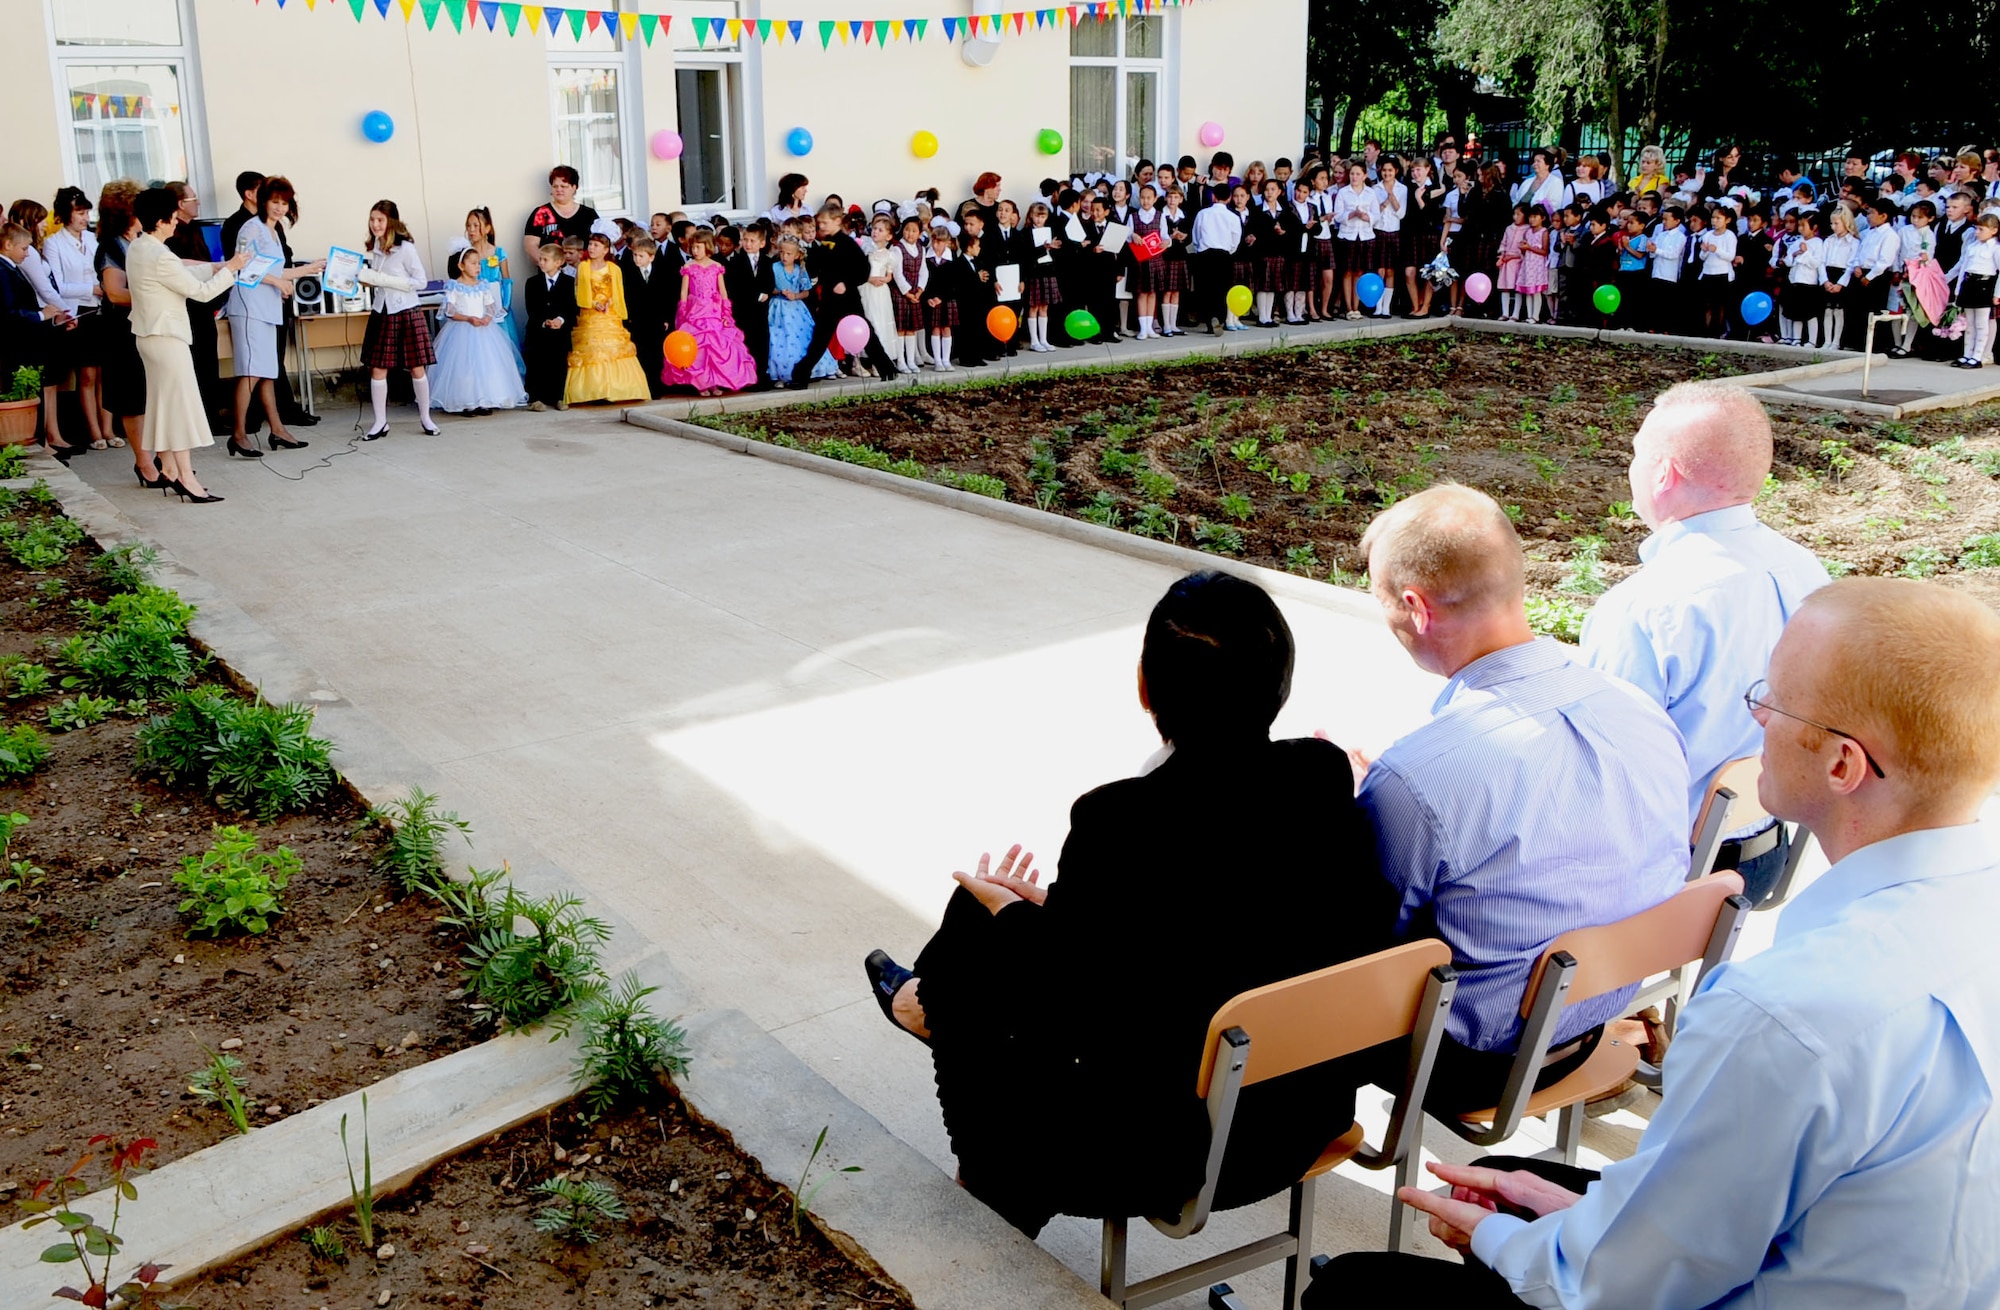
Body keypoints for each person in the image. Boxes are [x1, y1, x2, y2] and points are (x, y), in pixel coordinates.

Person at [1316, 577, 2000, 1310]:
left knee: (1358, 1290)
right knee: (1548, 1186)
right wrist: (1609, 1221)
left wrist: (1502, 1243)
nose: (1757, 715)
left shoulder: (1785, 1017)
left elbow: (1617, 1290)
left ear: (1842, 765)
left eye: (1776, 697)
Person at [862, 571, 1399, 1237]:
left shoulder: (1118, 819)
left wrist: (1016, 914)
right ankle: (932, 1005)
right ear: (1280, 685)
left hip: (1166, 1154)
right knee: (1001, 925)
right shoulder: (1320, 776)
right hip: (1298, 1122)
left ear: (1145, 688)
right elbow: (1203, 924)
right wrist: (1053, 909)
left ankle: (978, 1131)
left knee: (978, 924)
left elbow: (1073, 998)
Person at [1352, 485, 1688, 1113]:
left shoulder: (1418, 779)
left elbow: (1372, 944)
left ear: (1416, 609)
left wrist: (1381, 808)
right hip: (1599, 1017)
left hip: (1475, 1063)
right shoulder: (1637, 709)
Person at [1580, 383, 1828, 905]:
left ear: (1664, 473)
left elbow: (1603, 778)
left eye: (1636, 454)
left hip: (1671, 878)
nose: (1631, 468)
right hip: (1765, 850)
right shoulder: (1807, 569)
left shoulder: (1644, 608)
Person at [125, 186, 252, 503]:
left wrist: (218, 266)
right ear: (164, 219)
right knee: (179, 408)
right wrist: (232, 270)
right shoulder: (159, 255)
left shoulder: (139, 247)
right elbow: (201, 293)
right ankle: (186, 476)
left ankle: (168, 466)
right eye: (173, 216)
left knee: (162, 405)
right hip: (168, 339)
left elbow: (179, 269)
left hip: (148, 337)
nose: (176, 222)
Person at [224, 176, 320, 457]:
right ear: (263, 201)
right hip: (249, 308)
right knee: (252, 372)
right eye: (275, 202)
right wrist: (278, 283)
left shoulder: (274, 231)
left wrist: (309, 268)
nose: (280, 208)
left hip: (266, 309)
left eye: (284, 202)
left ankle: (277, 429)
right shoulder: (250, 229)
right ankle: (239, 435)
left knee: (267, 373)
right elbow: (242, 269)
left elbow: (278, 272)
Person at [790, 203, 898, 386]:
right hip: (830, 300)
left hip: (848, 299)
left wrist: (846, 284)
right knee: (820, 338)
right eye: (820, 223)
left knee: (866, 333)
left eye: (825, 222)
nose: (821, 226)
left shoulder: (847, 244)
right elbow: (817, 268)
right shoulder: (823, 245)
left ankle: (886, 368)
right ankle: (801, 375)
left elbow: (863, 270)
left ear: (837, 221)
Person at [5, 199, 80, 458]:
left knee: (50, 380)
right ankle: (44, 439)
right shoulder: (11, 265)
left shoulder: (20, 258)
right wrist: (55, 313)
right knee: (42, 381)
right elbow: (40, 291)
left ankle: (51, 436)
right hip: (32, 327)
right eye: (40, 219)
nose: (45, 223)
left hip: (43, 321)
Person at [91, 181, 154, 484]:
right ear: (126, 210)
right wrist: (155, 292)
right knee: (132, 398)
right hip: (121, 331)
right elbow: (115, 293)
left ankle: (155, 460)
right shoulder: (111, 246)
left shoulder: (140, 240)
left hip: (144, 326)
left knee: (148, 395)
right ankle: (144, 463)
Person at [357, 199, 437, 439]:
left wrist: (385, 281)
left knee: (416, 367)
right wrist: (367, 280)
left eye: (380, 220)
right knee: (377, 369)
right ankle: (380, 422)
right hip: (382, 311)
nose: (375, 224)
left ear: (391, 221)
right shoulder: (376, 247)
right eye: (372, 220)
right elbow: (377, 280)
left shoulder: (405, 248)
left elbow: (420, 282)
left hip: (406, 311)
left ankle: (426, 418)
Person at [45, 186, 112, 452]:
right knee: (86, 374)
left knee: (104, 372)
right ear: (66, 214)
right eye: (79, 213)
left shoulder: (94, 239)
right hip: (78, 312)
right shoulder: (54, 243)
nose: (84, 218)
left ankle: (108, 428)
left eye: (86, 213)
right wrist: (92, 289)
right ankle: (93, 431)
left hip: (100, 310)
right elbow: (57, 285)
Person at [162, 182, 228, 437]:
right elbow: (181, 267)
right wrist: (215, 268)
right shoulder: (173, 235)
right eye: (193, 198)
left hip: (204, 306)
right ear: (180, 204)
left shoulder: (196, 230)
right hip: (186, 307)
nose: (198, 203)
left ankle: (211, 417)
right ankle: (198, 421)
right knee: (195, 365)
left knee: (208, 363)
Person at [659, 227, 756, 398]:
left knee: (716, 347)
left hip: (713, 311)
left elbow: (723, 291)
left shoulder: (717, 266)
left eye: (698, 247)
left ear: (708, 247)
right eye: (693, 247)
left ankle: (714, 383)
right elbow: (684, 292)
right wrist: (682, 313)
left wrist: (726, 312)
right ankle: (701, 384)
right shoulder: (688, 267)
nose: (695, 251)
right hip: (695, 312)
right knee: (699, 350)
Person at [429, 247, 525, 416]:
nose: (478, 267)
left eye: (479, 263)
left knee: (485, 364)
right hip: (462, 330)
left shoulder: (482, 285)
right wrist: (467, 318)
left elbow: (490, 305)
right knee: (464, 366)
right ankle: (466, 401)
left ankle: (483, 399)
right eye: (473, 263)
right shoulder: (455, 286)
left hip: (483, 330)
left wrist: (488, 317)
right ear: (461, 266)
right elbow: (449, 311)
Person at [563, 230, 651, 404]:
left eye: (596, 245)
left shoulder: (614, 268)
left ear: (605, 249)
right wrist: (593, 303)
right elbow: (579, 289)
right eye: (591, 244)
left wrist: (609, 302)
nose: (592, 248)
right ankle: (593, 390)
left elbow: (618, 291)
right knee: (592, 349)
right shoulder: (583, 266)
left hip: (609, 314)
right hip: (590, 312)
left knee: (613, 349)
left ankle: (618, 389)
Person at [766, 233, 836, 384]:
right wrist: (779, 292)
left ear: (797, 255)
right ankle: (780, 373)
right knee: (779, 337)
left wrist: (796, 296)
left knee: (801, 335)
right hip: (778, 307)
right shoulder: (774, 268)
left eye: (789, 253)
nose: (785, 256)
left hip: (796, 308)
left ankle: (806, 368)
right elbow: (768, 287)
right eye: (782, 252)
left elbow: (806, 291)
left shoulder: (800, 270)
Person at [620, 235, 676, 399]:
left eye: (641, 256)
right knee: (641, 352)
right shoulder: (628, 272)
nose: (637, 259)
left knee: (656, 353)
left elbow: (668, 296)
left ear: (651, 257)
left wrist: (667, 318)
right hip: (637, 319)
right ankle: (642, 386)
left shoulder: (662, 271)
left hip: (656, 319)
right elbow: (626, 296)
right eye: (635, 255)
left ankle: (656, 386)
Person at [521, 242, 574, 412]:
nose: (541, 262)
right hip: (538, 331)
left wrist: (560, 320)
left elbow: (571, 306)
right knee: (536, 363)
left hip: (560, 332)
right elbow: (532, 307)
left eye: (545, 259)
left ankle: (557, 396)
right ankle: (535, 397)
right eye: (540, 259)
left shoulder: (569, 282)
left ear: (558, 262)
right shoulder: (532, 282)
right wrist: (544, 321)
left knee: (558, 363)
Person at [723, 220, 774, 386]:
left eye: (752, 241)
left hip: (761, 311)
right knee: (747, 343)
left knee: (762, 342)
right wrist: (756, 296)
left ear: (762, 243)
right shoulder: (736, 263)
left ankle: (761, 374)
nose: (748, 244)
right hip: (743, 310)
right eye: (745, 240)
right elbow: (736, 287)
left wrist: (765, 292)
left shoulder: (766, 261)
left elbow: (769, 282)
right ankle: (748, 377)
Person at [521, 165, 598, 268]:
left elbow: (599, 244)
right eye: (555, 186)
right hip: (551, 275)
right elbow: (531, 245)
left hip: (583, 273)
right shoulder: (540, 213)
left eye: (564, 186)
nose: (559, 190)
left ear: (574, 187)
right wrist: (547, 265)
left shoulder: (589, 214)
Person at [923, 223, 965, 371]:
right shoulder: (927, 259)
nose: (936, 245)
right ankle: (938, 361)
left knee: (946, 328)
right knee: (935, 328)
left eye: (939, 242)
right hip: (932, 299)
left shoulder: (952, 259)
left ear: (947, 242)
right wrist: (929, 297)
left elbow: (954, 283)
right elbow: (925, 281)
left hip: (946, 299)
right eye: (934, 241)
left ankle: (946, 360)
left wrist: (942, 297)